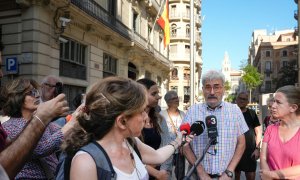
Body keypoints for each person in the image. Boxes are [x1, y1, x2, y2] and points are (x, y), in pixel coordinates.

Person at [61, 76, 187, 180]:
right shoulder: (85, 162)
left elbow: (158, 156)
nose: (145, 117)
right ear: (122, 121)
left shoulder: (130, 142)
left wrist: (179, 140)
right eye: (142, 111)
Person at [0, 78, 75, 179]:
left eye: (36, 91)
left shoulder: (42, 123)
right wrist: (71, 125)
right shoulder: (10, 126)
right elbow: (40, 149)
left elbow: (61, 133)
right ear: (17, 97)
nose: (38, 95)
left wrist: (76, 116)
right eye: (31, 92)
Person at [182, 70, 248, 179]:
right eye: (208, 87)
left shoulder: (235, 110)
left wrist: (229, 171)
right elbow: (184, 144)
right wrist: (201, 172)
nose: (212, 92)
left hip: (225, 176)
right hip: (197, 176)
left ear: (223, 89)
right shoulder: (192, 111)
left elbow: (241, 143)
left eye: (216, 87)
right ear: (202, 90)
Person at [260, 85, 300, 180]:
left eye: (278, 102)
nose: (273, 106)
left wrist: (273, 175)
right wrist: (268, 176)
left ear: (293, 107)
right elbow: (263, 157)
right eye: (274, 101)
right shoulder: (270, 129)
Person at [137, 78, 172, 180]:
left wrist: (163, 171)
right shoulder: (130, 120)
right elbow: (130, 153)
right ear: (141, 95)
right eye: (154, 93)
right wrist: (152, 171)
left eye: (158, 93)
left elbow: (167, 145)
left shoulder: (160, 119)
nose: (159, 96)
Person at [235, 92, 262, 180]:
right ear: (236, 100)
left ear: (247, 101)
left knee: (251, 175)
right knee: (236, 175)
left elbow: (258, 132)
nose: (242, 101)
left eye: (244, 99)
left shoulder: (252, 113)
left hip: (250, 151)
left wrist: (257, 149)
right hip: (235, 150)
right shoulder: (232, 113)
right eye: (240, 98)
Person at [160, 90, 186, 179]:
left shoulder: (183, 114)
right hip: (167, 149)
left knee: (180, 173)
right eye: (174, 98)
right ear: (168, 102)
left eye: (177, 98)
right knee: (166, 172)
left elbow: (186, 132)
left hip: (180, 150)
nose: (177, 100)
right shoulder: (161, 115)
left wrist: (184, 145)